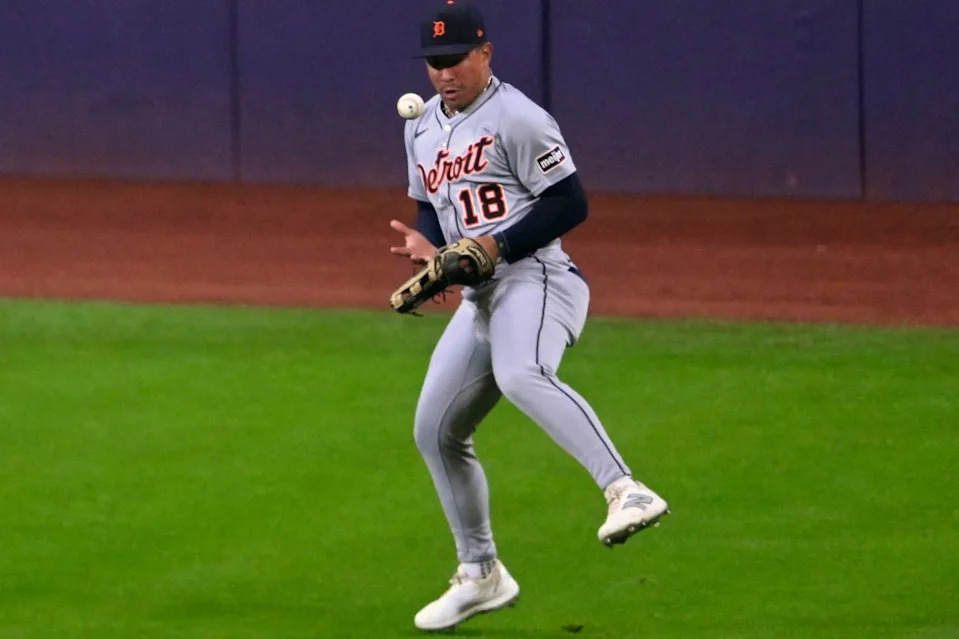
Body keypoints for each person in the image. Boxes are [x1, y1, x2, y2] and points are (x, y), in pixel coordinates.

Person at [388, 1, 669, 631]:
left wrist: (496, 245)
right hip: (480, 298)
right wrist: (430, 249)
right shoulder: (421, 125)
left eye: (455, 59)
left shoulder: (518, 117)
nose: (443, 74)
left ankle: (627, 489)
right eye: (434, 63)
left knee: (522, 374)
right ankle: (480, 573)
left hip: (537, 278)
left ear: (485, 53)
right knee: (435, 430)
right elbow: (430, 204)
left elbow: (570, 202)